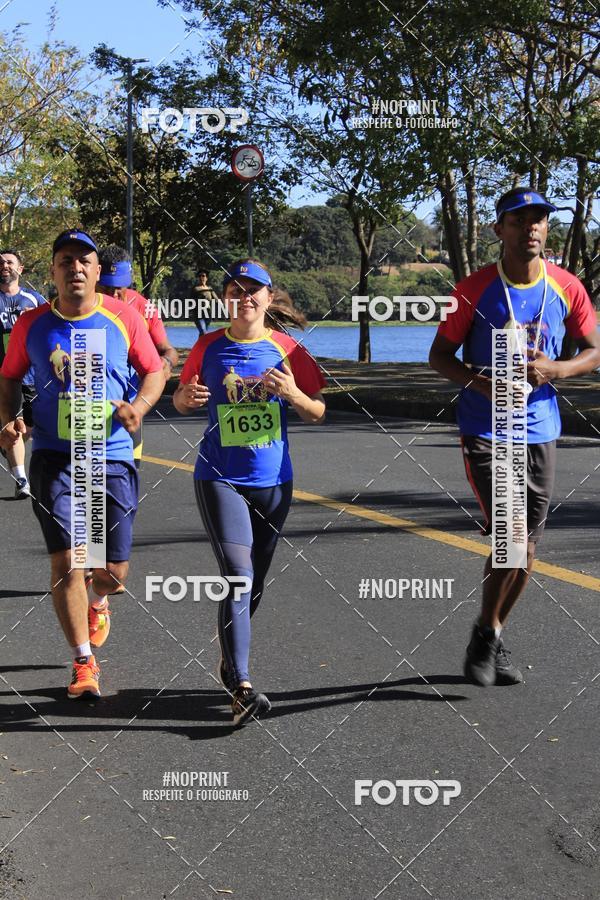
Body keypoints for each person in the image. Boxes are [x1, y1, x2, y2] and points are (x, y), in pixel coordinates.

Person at [429, 187, 600, 687]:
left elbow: (594, 351)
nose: (531, 228)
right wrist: (479, 382)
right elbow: (439, 357)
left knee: (529, 546)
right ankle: (488, 635)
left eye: (539, 219)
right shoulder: (473, 288)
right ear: (499, 229)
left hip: (540, 427)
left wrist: (557, 369)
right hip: (487, 428)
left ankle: (490, 631)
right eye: (519, 220)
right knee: (513, 539)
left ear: (546, 228)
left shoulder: (566, 286)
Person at [0, 229, 164, 699]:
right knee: (69, 560)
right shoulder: (31, 324)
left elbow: (155, 370)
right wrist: (9, 420)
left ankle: (98, 601)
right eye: (66, 260)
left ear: (96, 271)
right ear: (52, 271)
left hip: (110, 455)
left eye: (84, 261)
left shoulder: (124, 317)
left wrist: (140, 407)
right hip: (55, 456)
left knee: (112, 573)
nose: (75, 267)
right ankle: (83, 662)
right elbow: (8, 377)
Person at [173, 258, 326, 727]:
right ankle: (241, 686)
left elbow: (317, 411)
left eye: (253, 290)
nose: (244, 298)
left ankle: (229, 658)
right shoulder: (207, 346)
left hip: (274, 483)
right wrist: (184, 399)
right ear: (225, 299)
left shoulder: (289, 348)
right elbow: (181, 397)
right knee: (238, 577)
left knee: (254, 583)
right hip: (219, 477)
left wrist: (293, 394)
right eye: (235, 291)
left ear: (267, 296)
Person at [97, 245, 179, 470]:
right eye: (106, 288)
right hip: (86, 408)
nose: (113, 295)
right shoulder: (79, 306)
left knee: (128, 473)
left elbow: (168, 350)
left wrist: (166, 363)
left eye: (119, 289)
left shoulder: (144, 307)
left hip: (129, 407)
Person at [0, 249, 46, 498]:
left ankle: (5, 442)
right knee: (12, 425)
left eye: (9, 262)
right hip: (3, 376)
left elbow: (53, 327)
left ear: (20, 269)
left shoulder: (34, 300)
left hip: (30, 374)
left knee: (26, 428)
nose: (4, 266)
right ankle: (21, 481)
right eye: (0, 263)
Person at [193, 269, 219, 335]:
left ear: (206, 278)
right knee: (203, 331)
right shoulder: (195, 289)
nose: (201, 277)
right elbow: (190, 301)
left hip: (208, 314)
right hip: (198, 314)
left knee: (202, 334)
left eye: (203, 276)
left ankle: (201, 342)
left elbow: (216, 299)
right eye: (199, 276)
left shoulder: (210, 288)